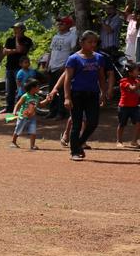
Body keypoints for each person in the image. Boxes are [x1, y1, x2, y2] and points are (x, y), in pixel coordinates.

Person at [49, 30, 108, 161]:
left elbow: (102, 78)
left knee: (93, 123)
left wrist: (103, 93)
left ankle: (78, 143)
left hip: (93, 94)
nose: (93, 44)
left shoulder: (99, 58)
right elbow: (67, 79)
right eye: (90, 42)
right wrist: (67, 97)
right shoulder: (73, 58)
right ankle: (74, 151)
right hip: (77, 95)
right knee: (76, 124)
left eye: (95, 42)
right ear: (82, 42)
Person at [46, 16, 78, 120]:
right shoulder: (55, 36)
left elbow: (72, 51)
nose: (60, 25)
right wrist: (48, 64)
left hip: (62, 67)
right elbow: (51, 51)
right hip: (52, 67)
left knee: (62, 90)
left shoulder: (71, 36)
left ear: (68, 25)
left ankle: (61, 113)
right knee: (52, 90)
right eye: (59, 23)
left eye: (62, 23)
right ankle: (52, 111)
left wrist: (66, 66)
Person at [1, 22, 34, 113]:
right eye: (14, 28)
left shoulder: (27, 40)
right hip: (9, 67)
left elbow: (21, 49)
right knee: (9, 90)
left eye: (17, 28)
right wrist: (14, 50)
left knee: (21, 89)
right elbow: (4, 52)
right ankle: (9, 108)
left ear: (22, 30)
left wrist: (16, 40)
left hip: (21, 69)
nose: (15, 30)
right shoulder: (9, 39)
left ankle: (21, 108)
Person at [10, 78, 43, 149]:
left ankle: (32, 145)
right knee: (18, 129)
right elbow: (18, 104)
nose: (39, 88)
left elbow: (40, 105)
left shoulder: (37, 97)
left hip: (32, 117)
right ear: (32, 88)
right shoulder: (25, 96)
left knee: (33, 130)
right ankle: (13, 142)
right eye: (37, 86)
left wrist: (47, 100)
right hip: (23, 116)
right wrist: (14, 112)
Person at [117, 62, 140, 148]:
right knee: (122, 124)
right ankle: (119, 141)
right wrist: (138, 82)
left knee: (138, 123)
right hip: (124, 106)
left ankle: (134, 141)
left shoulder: (136, 80)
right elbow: (132, 89)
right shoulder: (124, 81)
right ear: (130, 73)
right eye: (136, 71)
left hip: (135, 106)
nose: (138, 72)